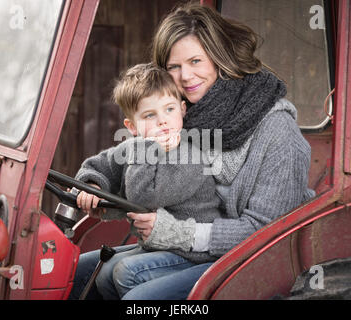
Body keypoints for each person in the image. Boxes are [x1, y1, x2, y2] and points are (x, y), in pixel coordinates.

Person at [71, 2, 315, 300]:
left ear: (218, 58)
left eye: (196, 61)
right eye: (174, 66)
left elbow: (267, 234)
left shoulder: (277, 132)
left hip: (249, 257)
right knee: (81, 272)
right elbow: (126, 155)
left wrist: (177, 232)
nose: (185, 76)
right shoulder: (182, 113)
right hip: (188, 248)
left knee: (138, 295)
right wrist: (96, 183)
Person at [69, 63, 222, 300]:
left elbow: (145, 197)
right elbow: (99, 165)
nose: (163, 121)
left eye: (169, 109)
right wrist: (92, 185)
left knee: (124, 272)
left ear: (182, 110)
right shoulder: (137, 146)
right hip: (156, 246)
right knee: (94, 272)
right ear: (131, 126)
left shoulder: (192, 156)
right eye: (150, 115)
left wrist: (146, 148)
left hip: (192, 252)